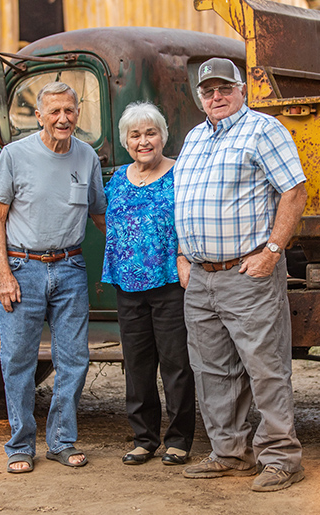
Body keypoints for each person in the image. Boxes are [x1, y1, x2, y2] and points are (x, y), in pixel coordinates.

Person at [174, 58, 308, 492]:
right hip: (201, 276)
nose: (217, 97)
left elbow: (294, 190)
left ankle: (282, 458)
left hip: (247, 272)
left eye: (224, 88)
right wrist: (182, 254)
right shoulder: (194, 138)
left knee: (264, 367)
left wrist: (272, 251)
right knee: (212, 370)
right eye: (209, 90)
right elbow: (186, 203)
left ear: (241, 89)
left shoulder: (264, 130)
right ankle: (230, 454)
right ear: (200, 97)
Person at [0, 81, 106, 474]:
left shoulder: (87, 157)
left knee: (74, 359)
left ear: (77, 113)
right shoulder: (14, 155)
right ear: (39, 116)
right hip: (23, 269)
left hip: (70, 269)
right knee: (18, 360)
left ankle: (61, 441)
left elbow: (99, 216)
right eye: (54, 111)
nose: (63, 118)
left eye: (69, 110)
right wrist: (4, 275)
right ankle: (20, 445)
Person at [102, 102, 196, 466]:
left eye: (151, 133)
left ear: (163, 136)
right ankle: (144, 438)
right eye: (136, 135)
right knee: (138, 364)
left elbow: (191, 218)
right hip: (127, 284)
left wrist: (180, 254)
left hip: (170, 282)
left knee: (176, 364)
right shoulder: (118, 179)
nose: (144, 141)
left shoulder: (179, 173)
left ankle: (179, 439)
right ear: (126, 141)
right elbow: (104, 219)